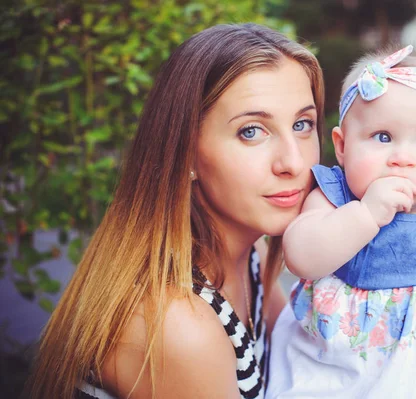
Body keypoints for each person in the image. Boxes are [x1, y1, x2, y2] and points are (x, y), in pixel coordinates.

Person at [25, 23, 324, 399]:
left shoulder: (250, 256)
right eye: (251, 131)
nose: (294, 163)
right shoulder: (178, 325)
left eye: (302, 124)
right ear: (186, 155)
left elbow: (308, 364)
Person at [266, 45, 416, 398]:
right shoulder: (334, 196)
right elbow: (301, 256)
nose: (403, 158)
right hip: (331, 368)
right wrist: (366, 214)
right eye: (383, 137)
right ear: (342, 147)